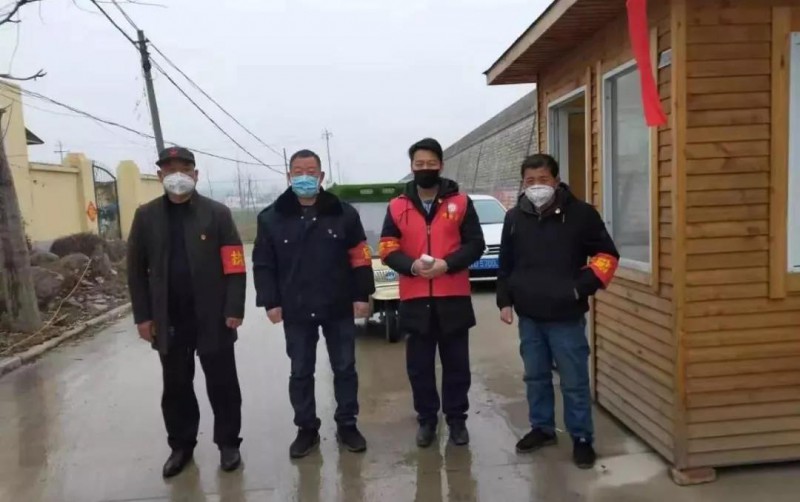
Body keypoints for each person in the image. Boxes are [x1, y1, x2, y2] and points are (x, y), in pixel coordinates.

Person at [127, 146, 246, 478]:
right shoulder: (146, 216)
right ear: (159, 176)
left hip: (214, 316)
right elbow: (135, 271)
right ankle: (181, 446)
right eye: (170, 170)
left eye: (184, 169)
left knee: (223, 384)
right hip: (170, 318)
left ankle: (228, 443)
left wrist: (234, 307)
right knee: (176, 386)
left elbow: (235, 265)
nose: (177, 175)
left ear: (196, 174)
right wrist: (143, 316)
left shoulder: (217, 214)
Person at [497, 153, 619, 469]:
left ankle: (582, 438)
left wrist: (580, 287)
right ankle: (542, 428)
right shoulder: (514, 218)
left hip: (566, 316)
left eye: (543, 179)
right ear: (523, 184)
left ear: (556, 180)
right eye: (530, 181)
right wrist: (504, 301)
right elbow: (506, 264)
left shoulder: (581, 215)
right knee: (535, 376)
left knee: (574, 380)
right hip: (529, 316)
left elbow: (607, 256)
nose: (537, 186)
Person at [252, 149, 375, 459]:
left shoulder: (344, 213)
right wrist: (270, 301)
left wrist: (362, 295)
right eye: (298, 172)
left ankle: (347, 424)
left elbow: (360, 257)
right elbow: (263, 264)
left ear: (321, 176)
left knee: (345, 367)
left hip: (338, 305)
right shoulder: (271, 217)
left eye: (311, 172)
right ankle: (306, 429)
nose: (304, 177)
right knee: (301, 371)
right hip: (296, 307)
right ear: (289, 176)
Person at [379, 138, 485, 447]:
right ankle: (426, 420)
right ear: (412, 167)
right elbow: (387, 248)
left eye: (431, 163)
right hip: (414, 298)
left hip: (453, 296)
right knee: (419, 367)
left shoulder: (461, 203)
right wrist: (412, 266)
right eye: (419, 164)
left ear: (441, 165)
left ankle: (457, 420)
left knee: (457, 366)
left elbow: (475, 244)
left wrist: (447, 264)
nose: (425, 168)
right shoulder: (397, 206)